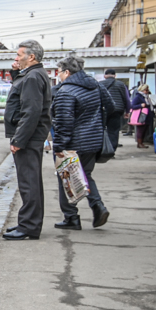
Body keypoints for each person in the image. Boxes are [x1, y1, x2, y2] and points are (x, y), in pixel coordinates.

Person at [51, 55, 113, 230]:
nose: (59, 75)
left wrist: (59, 147)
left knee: (65, 178)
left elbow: (64, 122)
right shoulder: (95, 85)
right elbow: (112, 106)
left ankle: (71, 218)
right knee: (85, 175)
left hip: (72, 144)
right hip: (93, 141)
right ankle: (98, 206)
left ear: (67, 72)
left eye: (60, 72)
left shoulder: (66, 91)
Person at [3, 40, 52, 241]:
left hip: (29, 137)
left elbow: (31, 111)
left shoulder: (33, 77)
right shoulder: (33, 74)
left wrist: (19, 140)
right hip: (32, 136)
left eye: (19, 55)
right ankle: (29, 223)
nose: (16, 58)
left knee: (29, 182)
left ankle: (29, 226)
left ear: (31, 57)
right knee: (30, 181)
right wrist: (16, 72)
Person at [99, 68, 130, 152]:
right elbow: (127, 99)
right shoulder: (121, 84)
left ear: (105, 76)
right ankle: (112, 150)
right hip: (117, 110)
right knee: (114, 130)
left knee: (101, 129)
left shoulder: (100, 84)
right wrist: (127, 111)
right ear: (115, 76)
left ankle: (102, 149)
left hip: (103, 110)